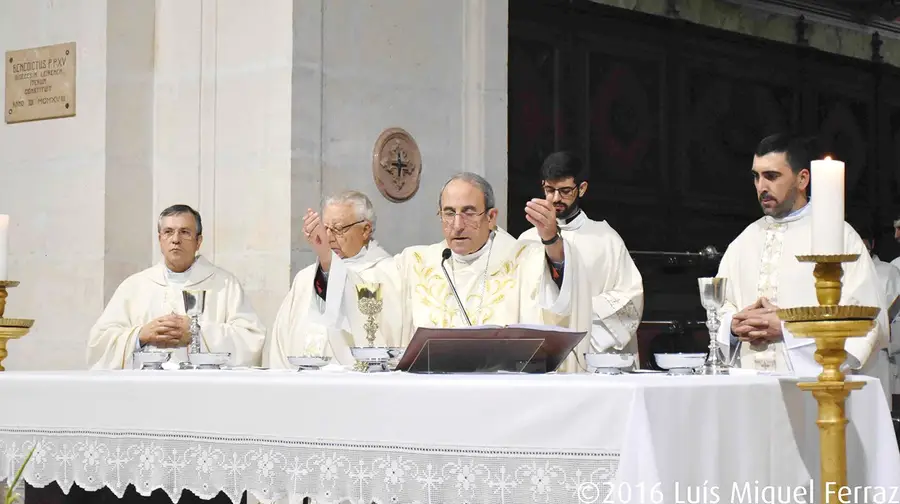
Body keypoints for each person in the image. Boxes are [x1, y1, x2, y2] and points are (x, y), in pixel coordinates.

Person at [302, 173, 593, 371]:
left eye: (468, 212)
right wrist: (327, 258)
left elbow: (560, 293)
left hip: (502, 400)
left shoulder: (521, 258)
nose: (456, 225)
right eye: (448, 213)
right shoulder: (417, 263)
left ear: (491, 217)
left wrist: (552, 241)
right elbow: (363, 295)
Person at [715, 133, 889, 397]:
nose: (761, 186)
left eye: (771, 176)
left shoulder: (839, 237)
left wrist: (788, 328)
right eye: (756, 176)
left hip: (815, 390)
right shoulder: (743, 241)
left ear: (802, 179)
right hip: (748, 391)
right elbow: (720, 306)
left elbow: (867, 320)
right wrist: (734, 325)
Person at [87, 204, 266, 369]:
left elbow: (250, 339)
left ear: (198, 241)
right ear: (160, 239)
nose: (176, 239)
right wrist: (140, 335)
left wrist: (196, 333)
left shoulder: (225, 285)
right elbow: (98, 343)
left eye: (185, 232)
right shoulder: (134, 286)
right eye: (168, 232)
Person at [519, 151, 644, 357]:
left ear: (582, 189)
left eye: (565, 191)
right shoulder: (527, 241)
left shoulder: (606, 239)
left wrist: (578, 309)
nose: (556, 198)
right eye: (550, 190)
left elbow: (630, 299)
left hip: (590, 353)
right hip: (541, 356)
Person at [264, 191, 395, 368]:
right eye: (325, 229)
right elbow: (281, 337)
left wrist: (327, 261)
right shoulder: (305, 278)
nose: (329, 238)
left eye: (338, 229)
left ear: (365, 230)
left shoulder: (386, 273)